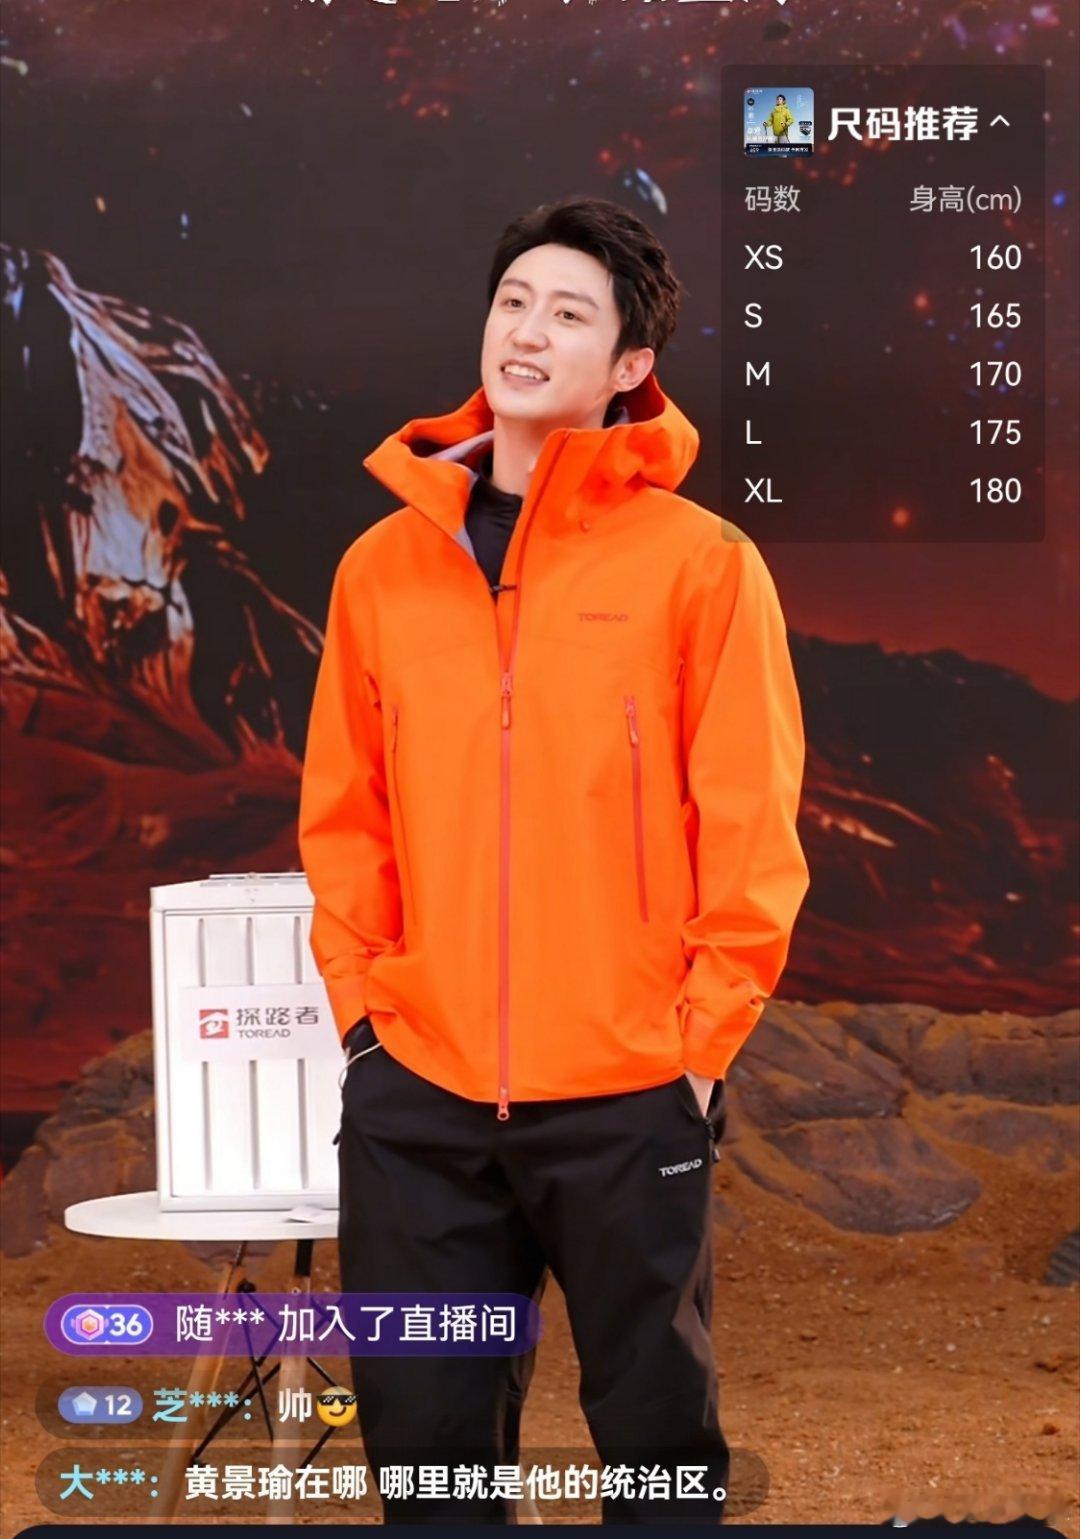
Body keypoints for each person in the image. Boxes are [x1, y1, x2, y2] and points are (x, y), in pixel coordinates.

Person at [298, 195, 810, 1525]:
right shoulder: (380, 570)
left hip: (631, 1089)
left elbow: (752, 829)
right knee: (429, 1472)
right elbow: (346, 819)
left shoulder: (704, 566)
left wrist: (695, 1051)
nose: (527, 331)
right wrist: (366, 1024)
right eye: (513, 301)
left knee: (656, 1462)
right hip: (419, 1096)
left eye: (570, 313)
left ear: (631, 365)